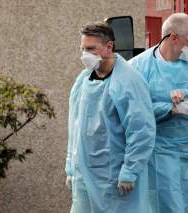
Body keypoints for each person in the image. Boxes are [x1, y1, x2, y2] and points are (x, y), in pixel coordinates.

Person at [128, 13, 188, 213]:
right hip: (156, 150)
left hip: (186, 149)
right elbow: (130, 112)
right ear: (172, 37)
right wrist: (169, 109)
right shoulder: (139, 67)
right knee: (169, 206)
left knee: (179, 204)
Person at [65, 21, 156, 213]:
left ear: (109, 46)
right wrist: (71, 167)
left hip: (114, 176)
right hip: (85, 173)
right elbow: (75, 127)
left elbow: (141, 130)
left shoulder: (128, 81)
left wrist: (130, 170)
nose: (85, 55)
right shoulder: (84, 79)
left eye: (91, 49)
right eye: (83, 49)